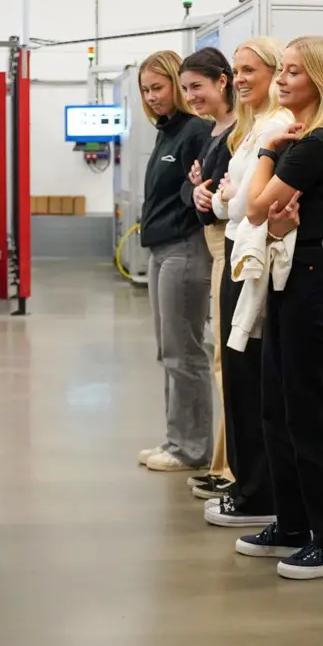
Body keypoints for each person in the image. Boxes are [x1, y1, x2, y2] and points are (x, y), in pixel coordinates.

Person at [236, 36, 323, 579]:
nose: (281, 81)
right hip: (291, 277)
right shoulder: (301, 139)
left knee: (310, 410)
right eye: (280, 71)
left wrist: (266, 151)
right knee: (277, 404)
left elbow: (254, 206)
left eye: (292, 73)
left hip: (314, 279)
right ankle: (292, 521)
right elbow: (267, 209)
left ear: (321, 80)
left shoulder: (319, 143)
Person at [203, 37, 289, 530]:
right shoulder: (252, 128)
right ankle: (247, 483)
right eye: (235, 70)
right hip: (238, 250)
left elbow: (242, 205)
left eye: (248, 70)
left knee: (250, 378)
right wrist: (226, 197)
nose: (239, 79)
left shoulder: (276, 127)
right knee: (237, 376)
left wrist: (230, 198)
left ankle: (259, 491)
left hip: (253, 256)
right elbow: (224, 201)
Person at [133, 50, 215, 474]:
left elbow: (202, 188)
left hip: (185, 248)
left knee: (185, 352)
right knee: (170, 351)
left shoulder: (196, 131)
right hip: (161, 250)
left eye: (158, 88)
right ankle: (175, 439)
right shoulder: (167, 133)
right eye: (146, 90)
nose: (152, 97)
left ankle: (191, 447)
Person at [179, 48, 237, 498]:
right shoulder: (213, 133)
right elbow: (197, 190)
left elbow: (225, 197)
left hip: (230, 246)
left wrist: (206, 194)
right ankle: (225, 461)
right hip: (214, 242)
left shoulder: (242, 133)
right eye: (186, 89)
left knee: (226, 361)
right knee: (220, 359)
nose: (191, 96)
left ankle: (235, 466)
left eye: (197, 86)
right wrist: (200, 190)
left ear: (223, 81)